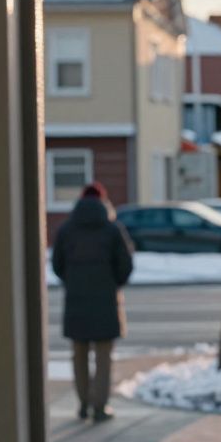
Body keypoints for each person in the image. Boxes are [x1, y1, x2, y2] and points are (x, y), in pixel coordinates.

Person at [52, 181, 134, 424]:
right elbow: (126, 265)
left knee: (79, 356)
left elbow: (57, 265)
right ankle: (100, 406)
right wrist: (112, 284)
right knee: (103, 357)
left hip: (76, 302)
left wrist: (73, 281)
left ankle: (83, 404)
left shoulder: (67, 230)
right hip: (105, 302)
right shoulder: (112, 229)